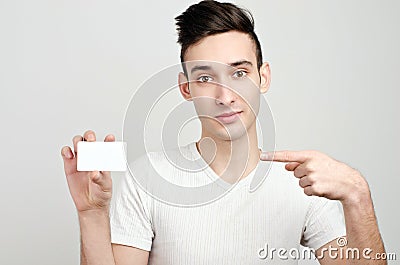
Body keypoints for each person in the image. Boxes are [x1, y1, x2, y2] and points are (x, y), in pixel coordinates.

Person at [61, 1, 387, 264]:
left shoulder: (301, 182)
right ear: (186, 88)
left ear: (264, 77)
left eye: (239, 73)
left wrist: (358, 196)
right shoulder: (148, 178)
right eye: (205, 78)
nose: (225, 95)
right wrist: (91, 214)